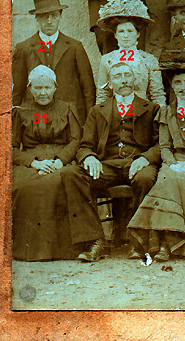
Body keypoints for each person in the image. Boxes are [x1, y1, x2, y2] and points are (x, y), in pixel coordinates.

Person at [61, 61, 160, 262]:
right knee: (72, 174)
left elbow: (161, 144)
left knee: (146, 178)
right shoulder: (98, 110)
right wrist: (89, 157)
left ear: (135, 80)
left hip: (138, 164)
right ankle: (96, 241)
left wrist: (145, 158)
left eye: (127, 75)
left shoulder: (151, 108)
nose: (123, 80)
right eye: (117, 76)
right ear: (109, 83)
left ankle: (137, 241)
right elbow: (85, 144)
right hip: (107, 165)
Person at [127, 56, 185, 263]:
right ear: (171, 84)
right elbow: (164, 146)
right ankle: (165, 243)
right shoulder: (167, 111)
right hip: (175, 160)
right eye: (177, 82)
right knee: (166, 180)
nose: (182, 87)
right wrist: (173, 164)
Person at [12, 66, 82, 261]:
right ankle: (25, 250)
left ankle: (62, 250)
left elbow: (76, 140)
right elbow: (10, 147)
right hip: (31, 163)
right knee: (22, 186)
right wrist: (33, 163)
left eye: (47, 87)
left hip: (60, 160)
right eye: (38, 88)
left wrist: (61, 161)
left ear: (55, 87)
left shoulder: (67, 108)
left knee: (59, 183)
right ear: (30, 88)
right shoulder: (21, 111)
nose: (43, 92)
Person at [12, 0, 95, 124]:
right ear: (37, 18)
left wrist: (89, 122)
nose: (49, 21)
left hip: (70, 117)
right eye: (44, 16)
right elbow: (17, 90)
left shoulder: (74, 47)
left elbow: (88, 88)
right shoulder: (24, 48)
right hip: (35, 119)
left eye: (54, 16)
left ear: (60, 17)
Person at [95, 0, 166, 107]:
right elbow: (102, 94)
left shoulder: (149, 60)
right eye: (121, 31)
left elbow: (157, 94)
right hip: (116, 114)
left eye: (130, 31)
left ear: (138, 34)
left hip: (143, 113)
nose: (125, 36)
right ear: (115, 35)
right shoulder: (107, 60)